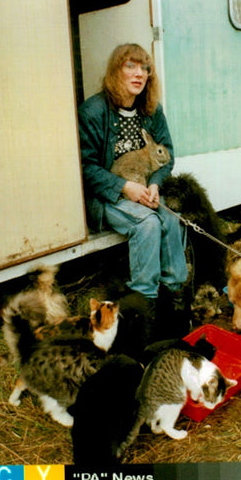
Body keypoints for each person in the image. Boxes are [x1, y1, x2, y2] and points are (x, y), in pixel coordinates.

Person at [78, 43, 189, 334]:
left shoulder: (152, 110)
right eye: (131, 66)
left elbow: (167, 156)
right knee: (147, 225)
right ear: (116, 71)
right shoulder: (93, 111)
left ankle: (176, 310)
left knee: (170, 218)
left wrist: (155, 183)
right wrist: (124, 187)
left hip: (143, 188)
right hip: (107, 194)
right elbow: (85, 166)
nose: (139, 74)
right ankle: (143, 314)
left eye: (145, 68)